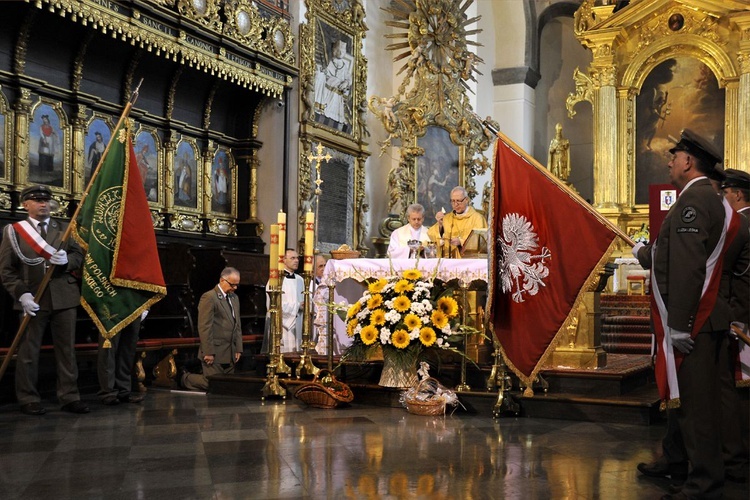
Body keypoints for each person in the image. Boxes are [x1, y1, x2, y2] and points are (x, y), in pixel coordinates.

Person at [632, 129, 747, 499]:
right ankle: (697, 472)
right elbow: (674, 258)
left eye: (674, 155)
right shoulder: (705, 199)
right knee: (701, 403)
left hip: (695, 321)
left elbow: (688, 267)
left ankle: (703, 483)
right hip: (706, 317)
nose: (668, 161)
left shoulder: (693, 202)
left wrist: (679, 325)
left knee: (696, 407)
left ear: (688, 161)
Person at [0, 185, 89, 415]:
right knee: (28, 351)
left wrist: (67, 261)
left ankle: (70, 396)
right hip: (33, 297)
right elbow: (7, 270)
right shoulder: (14, 232)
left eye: (46, 200)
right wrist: (22, 294)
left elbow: (79, 256)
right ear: (25, 204)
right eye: (36, 200)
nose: (42, 204)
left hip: (64, 297)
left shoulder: (64, 228)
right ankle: (28, 397)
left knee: (67, 351)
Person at [181, 268, 243, 391]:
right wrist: (208, 351)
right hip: (215, 350)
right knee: (214, 385)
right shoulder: (209, 297)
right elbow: (204, 326)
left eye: (237, 285)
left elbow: (237, 324)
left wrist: (238, 348)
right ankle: (185, 379)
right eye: (232, 284)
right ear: (222, 280)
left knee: (229, 385)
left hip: (230, 350)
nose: (235, 288)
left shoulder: (234, 298)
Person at [263, 249, 304, 354]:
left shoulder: (300, 279)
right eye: (292, 258)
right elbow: (272, 305)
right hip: (281, 325)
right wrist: (298, 306)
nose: (296, 261)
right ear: (283, 260)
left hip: (298, 323)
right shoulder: (275, 280)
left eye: (297, 258)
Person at [427, 186, 487, 258]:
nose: (455, 204)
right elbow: (432, 235)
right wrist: (440, 226)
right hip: (449, 262)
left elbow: (481, 243)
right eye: (453, 201)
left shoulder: (477, 218)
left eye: (458, 201)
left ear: (466, 200)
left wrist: (461, 241)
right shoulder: (447, 218)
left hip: (468, 261)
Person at [98, 315, 145, 405]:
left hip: (134, 304)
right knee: (109, 349)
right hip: (111, 306)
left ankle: (124, 390)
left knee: (128, 348)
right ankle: (107, 392)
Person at [314, 40, 352, 130]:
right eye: (339, 50)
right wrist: (323, 72)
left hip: (339, 88)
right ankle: (321, 107)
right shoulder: (330, 62)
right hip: (328, 84)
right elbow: (326, 72)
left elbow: (349, 79)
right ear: (334, 51)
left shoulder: (344, 66)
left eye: (343, 50)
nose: (341, 52)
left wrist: (346, 83)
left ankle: (335, 115)